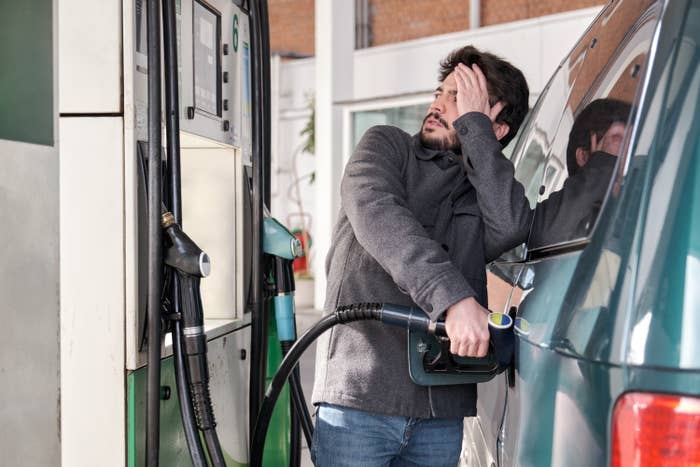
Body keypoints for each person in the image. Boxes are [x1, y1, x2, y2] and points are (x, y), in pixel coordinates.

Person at [310, 45, 531, 466]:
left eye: (457, 98)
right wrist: (454, 299)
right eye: (440, 92)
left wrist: (474, 131)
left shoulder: (483, 189)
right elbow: (377, 211)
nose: (438, 104)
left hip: (441, 411)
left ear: (494, 126)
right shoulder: (385, 145)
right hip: (361, 398)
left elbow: (512, 225)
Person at [529, 98, 632, 248]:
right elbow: (545, 239)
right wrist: (601, 165)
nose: (629, 155)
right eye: (618, 141)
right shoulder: (576, 221)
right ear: (584, 157)